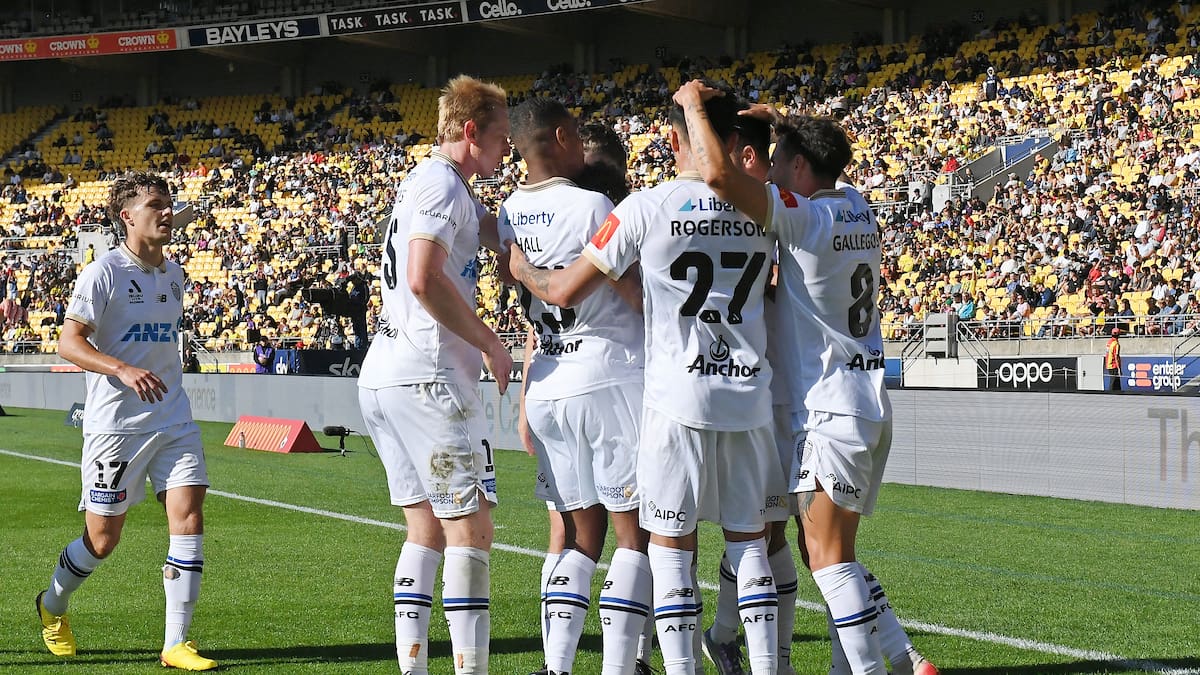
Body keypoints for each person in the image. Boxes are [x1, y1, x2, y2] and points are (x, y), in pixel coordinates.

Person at [508, 88, 785, 675]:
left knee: (669, 550)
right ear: (735, 142)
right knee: (749, 543)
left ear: (672, 139)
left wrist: (518, 264)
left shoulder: (641, 207)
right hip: (749, 398)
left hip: (674, 399)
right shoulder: (768, 202)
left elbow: (561, 291)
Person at [677, 81, 934, 675]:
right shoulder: (858, 205)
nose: (772, 172)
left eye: (778, 162)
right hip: (868, 402)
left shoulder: (806, 218)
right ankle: (898, 657)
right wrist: (784, 123)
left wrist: (696, 111)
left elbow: (722, 181)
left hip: (828, 409)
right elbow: (816, 159)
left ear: (797, 165)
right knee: (833, 549)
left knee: (825, 559)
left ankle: (878, 668)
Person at [356, 74, 512, 675]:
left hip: (390, 374)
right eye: (500, 138)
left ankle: (414, 667)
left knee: (424, 530)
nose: (505, 152)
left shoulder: (433, 184)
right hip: (429, 382)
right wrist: (491, 344)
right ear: (470, 132)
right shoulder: (442, 185)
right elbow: (423, 277)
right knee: (470, 532)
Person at [36, 172, 216, 670]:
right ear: (126, 216)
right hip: (115, 426)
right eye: (155, 205)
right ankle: (52, 605)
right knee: (103, 539)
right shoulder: (103, 273)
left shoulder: (174, 272)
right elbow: (68, 342)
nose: (165, 212)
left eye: (169, 203)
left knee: (189, 515)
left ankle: (175, 642)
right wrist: (121, 368)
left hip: (173, 418)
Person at [501, 97, 650, 675]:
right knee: (632, 537)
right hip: (608, 377)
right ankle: (624, 666)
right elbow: (635, 293)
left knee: (575, 538)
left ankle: (556, 667)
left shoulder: (509, 212)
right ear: (563, 137)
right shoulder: (595, 205)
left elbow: (518, 282)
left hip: (548, 382)